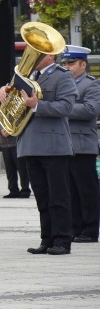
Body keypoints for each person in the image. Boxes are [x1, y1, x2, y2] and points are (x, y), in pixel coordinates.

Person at [0, 44, 77, 255]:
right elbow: (12, 104)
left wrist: (36, 105)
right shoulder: (25, 75)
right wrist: (2, 92)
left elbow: (66, 107)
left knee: (58, 196)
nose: (29, 55)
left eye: (37, 51)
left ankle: (62, 240)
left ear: (50, 56)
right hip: (29, 144)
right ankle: (47, 238)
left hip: (53, 145)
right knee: (42, 196)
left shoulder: (63, 76)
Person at [61, 45, 100, 243]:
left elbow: (91, 110)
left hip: (83, 145)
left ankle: (91, 229)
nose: (67, 67)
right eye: (65, 63)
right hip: (63, 144)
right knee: (70, 191)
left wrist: (63, 108)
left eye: (71, 63)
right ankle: (76, 228)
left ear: (83, 64)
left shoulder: (91, 84)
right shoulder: (62, 84)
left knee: (87, 190)